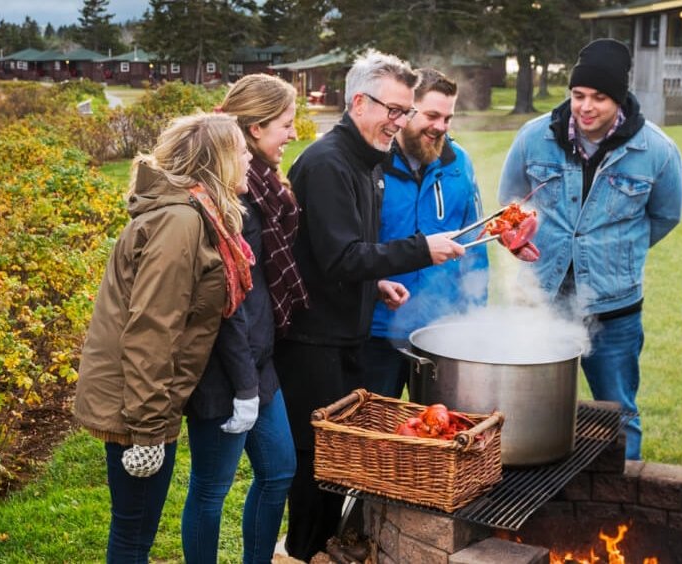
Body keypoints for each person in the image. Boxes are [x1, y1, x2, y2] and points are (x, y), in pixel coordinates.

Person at [277, 50, 467, 563]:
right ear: (359, 102)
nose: (399, 122)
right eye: (394, 110)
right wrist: (421, 248)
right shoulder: (327, 164)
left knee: (337, 464)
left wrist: (378, 280)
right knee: (314, 464)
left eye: (406, 112)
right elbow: (339, 256)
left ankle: (324, 548)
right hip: (312, 341)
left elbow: (341, 249)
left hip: (346, 334)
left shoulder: (367, 162)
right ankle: (302, 553)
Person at [73, 113, 257, 564]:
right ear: (216, 162)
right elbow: (151, 332)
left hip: (143, 401)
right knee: (134, 537)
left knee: (134, 531)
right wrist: (150, 432)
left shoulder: (195, 214)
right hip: (136, 408)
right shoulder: (181, 223)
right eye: (240, 149)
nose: (249, 156)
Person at [498, 39, 682, 460]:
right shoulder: (534, 138)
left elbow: (666, 216)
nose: (585, 106)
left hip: (614, 308)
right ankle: (532, 487)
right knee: (527, 406)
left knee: (618, 410)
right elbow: (511, 201)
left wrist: (619, 252)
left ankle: (623, 500)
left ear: (619, 99)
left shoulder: (656, 151)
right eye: (578, 95)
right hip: (540, 299)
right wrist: (522, 238)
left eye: (598, 97)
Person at [179, 75, 299, 564]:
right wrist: (245, 389)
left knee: (278, 472)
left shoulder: (262, 187)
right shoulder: (228, 204)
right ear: (251, 130)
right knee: (211, 489)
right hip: (222, 373)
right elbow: (229, 310)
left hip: (259, 362)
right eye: (286, 125)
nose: (293, 134)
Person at [362, 67, 487, 399]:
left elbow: (475, 245)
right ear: (406, 111)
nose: (441, 127)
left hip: (440, 331)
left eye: (448, 118)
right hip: (377, 331)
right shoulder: (370, 163)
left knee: (439, 437)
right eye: (432, 115)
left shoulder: (459, 163)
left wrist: (474, 316)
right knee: (373, 437)